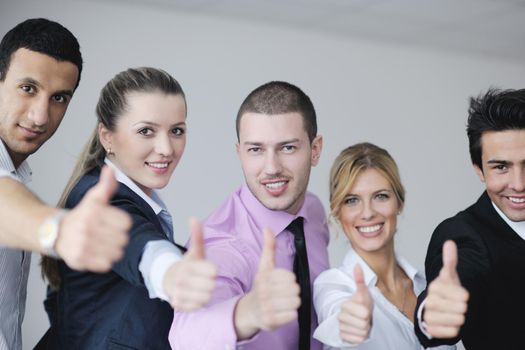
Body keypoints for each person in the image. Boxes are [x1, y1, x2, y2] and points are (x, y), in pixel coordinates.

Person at [39, 67, 217, 349]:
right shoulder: (100, 199)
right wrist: (168, 269)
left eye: (176, 131)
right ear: (107, 137)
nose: (166, 148)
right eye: (146, 131)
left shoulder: (106, 190)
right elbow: (131, 240)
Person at [0, 18, 131, 350]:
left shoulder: (19, 174)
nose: (40, 116)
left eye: (59, 98)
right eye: (28, 88)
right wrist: (58, 230)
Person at [170, 81, 330, 349]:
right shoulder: (221, 244)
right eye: (256, 149)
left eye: (287, 147)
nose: (271, 168)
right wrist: (247, 313)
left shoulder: (313, 211)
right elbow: (185, 334)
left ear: (315, 150)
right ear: (240, 153)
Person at [312, 142, 454, 350]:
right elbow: (337, 314)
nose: (368, 213)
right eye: (352, 200)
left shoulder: (426, 287)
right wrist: (351, 322)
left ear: (399, 202)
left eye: (380, 196)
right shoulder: (334, 285)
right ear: (337, 211)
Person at [414, 88, 525, 349]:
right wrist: (435, 314)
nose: (518, 184)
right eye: (501, 167)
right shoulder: (462, 234)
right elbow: (458, 277)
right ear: (479, 170)